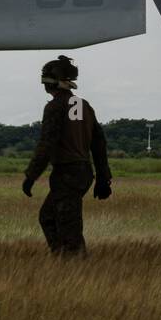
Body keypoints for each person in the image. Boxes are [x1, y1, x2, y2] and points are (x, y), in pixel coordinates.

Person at [21, 55, 111, 256]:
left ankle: (71, 263)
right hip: (83, 171)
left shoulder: (55, 106)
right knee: (51, 217)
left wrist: (31, 176)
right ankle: (64, 260)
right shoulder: (83, 105)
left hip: (67, 173)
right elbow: (99, 143)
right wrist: (103, 177)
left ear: (49, 82)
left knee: (66, 224)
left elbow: (47, 143)